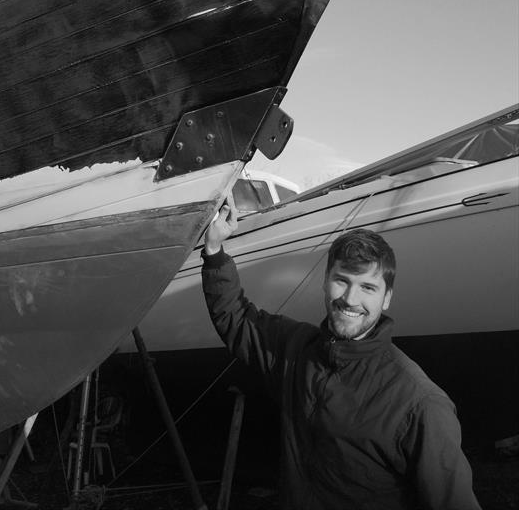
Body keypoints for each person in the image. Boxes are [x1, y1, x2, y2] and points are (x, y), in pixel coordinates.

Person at [201, 198, 482, 510]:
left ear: (386, 298)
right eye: (342, 281)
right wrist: (214, 251)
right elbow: (236, 320)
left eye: (368, 288)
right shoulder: (296, 349)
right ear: (325, 282)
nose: (351, 299)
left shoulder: (419, 403)